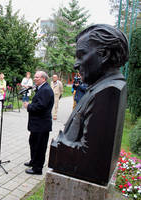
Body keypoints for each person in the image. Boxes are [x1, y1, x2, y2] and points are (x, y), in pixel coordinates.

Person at [48, 24, 129, 185]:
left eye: (81, 55)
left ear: (104, 54)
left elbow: (91, 158)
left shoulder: (107, 91)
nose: (76, 64)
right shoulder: (99, 87)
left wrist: (60, 144)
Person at [23, 71, 54, 175]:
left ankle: (37, 168)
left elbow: (41, 106)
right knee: (33, 142)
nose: (34, 78)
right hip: (37, 124)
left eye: (37, 77)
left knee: (40, 146)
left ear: (43, 79)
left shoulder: (45, 90)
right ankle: (33, 161)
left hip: (42, 125)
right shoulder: (41, 88)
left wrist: (29, 106)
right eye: (34, 77)